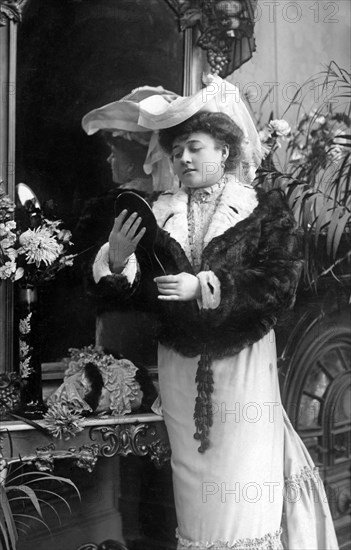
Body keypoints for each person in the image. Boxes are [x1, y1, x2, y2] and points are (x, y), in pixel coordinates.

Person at [89, 76, 339, 549]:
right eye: (177, 148)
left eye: (194, 146)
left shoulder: (262, 208)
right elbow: (130, 295)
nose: (183, 158)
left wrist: (204, 285)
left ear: (224, 150)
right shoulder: (159, 214)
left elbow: (280, 283)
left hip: (242, 366)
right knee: (200, 500)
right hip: (182, 370)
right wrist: (119, 259)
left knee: (244, 489)